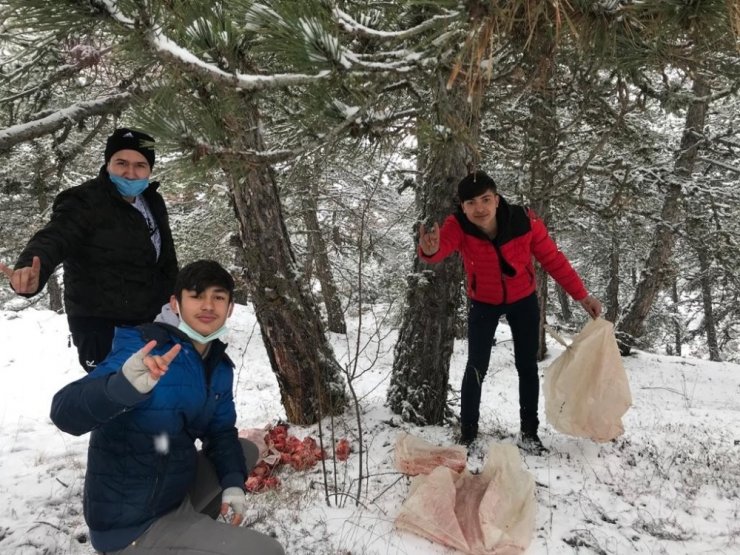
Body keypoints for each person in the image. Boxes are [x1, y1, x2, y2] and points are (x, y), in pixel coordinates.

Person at [50, 260, 285, 555]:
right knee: (267, 551)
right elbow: (64, 412)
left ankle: (189, 531)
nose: (208, 306)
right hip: (131, 522)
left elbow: (221, 431)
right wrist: (121, 387)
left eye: (218, 297)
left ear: (230, 308)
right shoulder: (143, 348)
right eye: (196, 296)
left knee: (243, 449)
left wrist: (234, 484)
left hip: (169, 491)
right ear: (175, 304)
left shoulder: (217, 364)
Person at [418, 170, 602, 453]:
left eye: (485, 199)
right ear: (462, 206)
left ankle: (529, 433)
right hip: (483, 302)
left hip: (523, 300)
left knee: (526, 366)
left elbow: (553, 259)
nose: (479, 208)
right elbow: (442, 248)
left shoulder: (524, 221)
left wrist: (582, 295)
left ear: (497, 199)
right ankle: (468, 434)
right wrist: (430, 250)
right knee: (476, 367)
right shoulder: (458, 226)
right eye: (471, 203)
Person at [0, 128, 178, 372]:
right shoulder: (84, 201)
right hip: (101, 326)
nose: (130, 172)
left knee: (151, 396)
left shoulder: (151, 201)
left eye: (140, 165)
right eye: (121, 163)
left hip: (151, 321)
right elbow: (54, 237)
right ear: (107, 164)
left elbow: (165, 260)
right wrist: (31, 271)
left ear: (150, 169)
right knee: (112, 396)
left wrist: (178, 301)